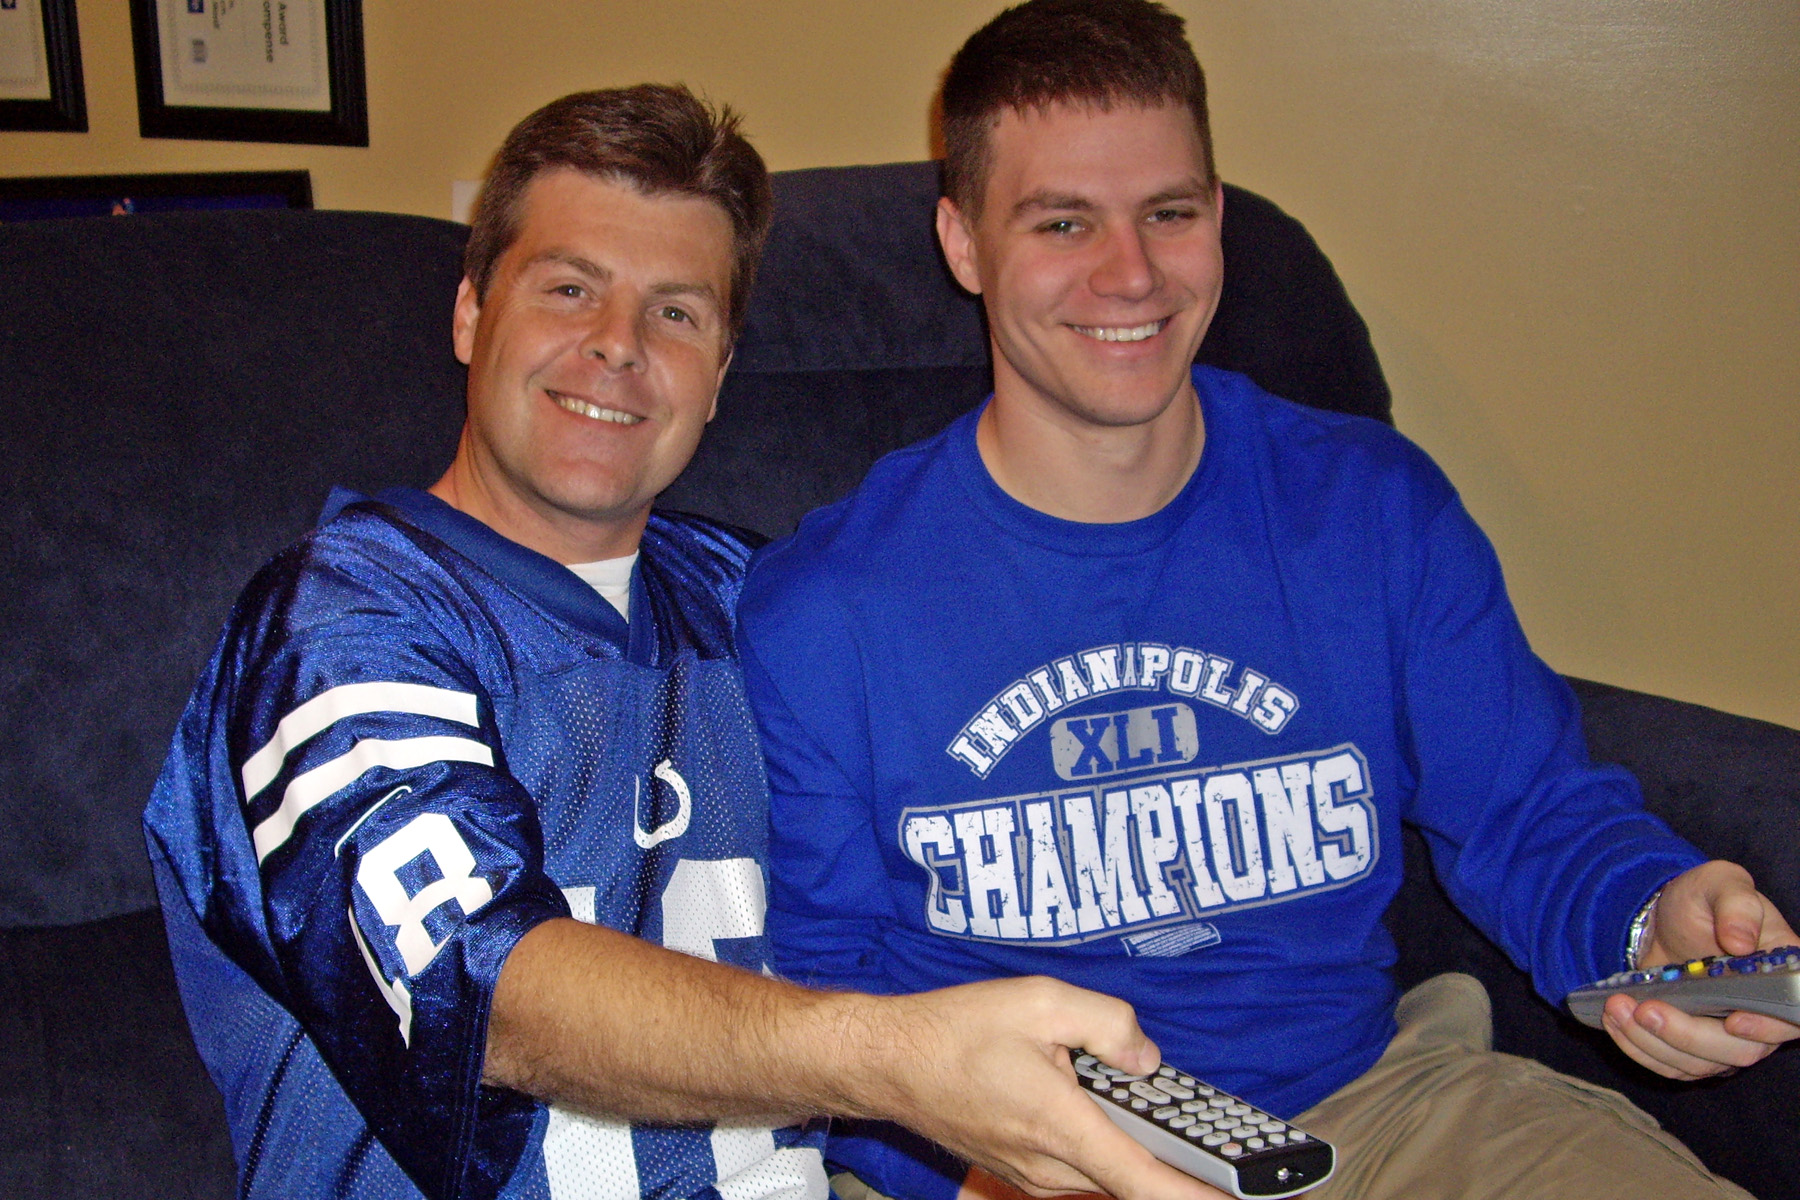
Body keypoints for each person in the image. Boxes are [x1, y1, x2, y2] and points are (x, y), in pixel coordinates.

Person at [733, 4, 1799, 1199]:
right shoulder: (824, 609)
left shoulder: (1370, 508)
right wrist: (973, 1171)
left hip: (1377, 1115)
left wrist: (1648, 923)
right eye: (1063, 221)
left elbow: (1529, 813)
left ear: (1217, 217)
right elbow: (819, 1000)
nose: (1131, 273)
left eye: (1170, 213)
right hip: (1018, 1159)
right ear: (964, 243)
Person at [144, 84, 1218, 1200]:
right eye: (569, 289)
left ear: (719, 373)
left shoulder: (762, 599)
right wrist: (894, 1064)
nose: (617, 346)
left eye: (676, 313)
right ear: (470, 314)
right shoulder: (340, 620)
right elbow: (493, 993)